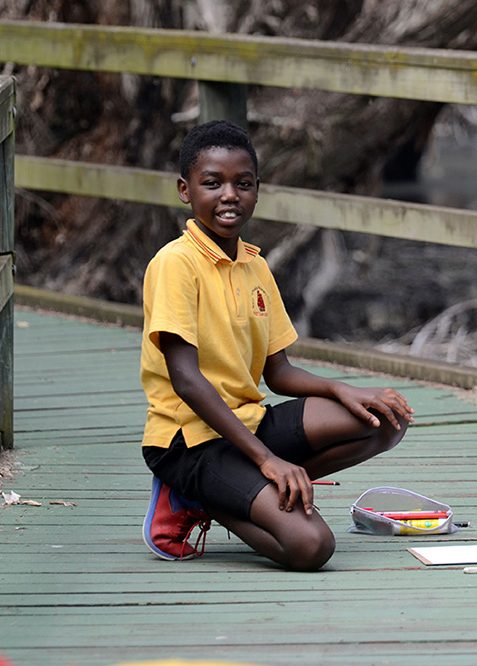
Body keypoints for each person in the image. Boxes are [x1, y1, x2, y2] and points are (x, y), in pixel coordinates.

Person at [140, 120, 414, 571]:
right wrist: (268, 460)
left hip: (248, 423)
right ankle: (195, 499)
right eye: (213, 183)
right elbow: (187, 381)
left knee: (384, 421)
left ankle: (246, 486)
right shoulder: (175, 264)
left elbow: (278, 372)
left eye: (242, 184)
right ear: (185, 190)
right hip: (188, 443)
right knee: (311, 547)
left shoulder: (254, 265)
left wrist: (342, 390)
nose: (229, 195)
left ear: (256, 189)